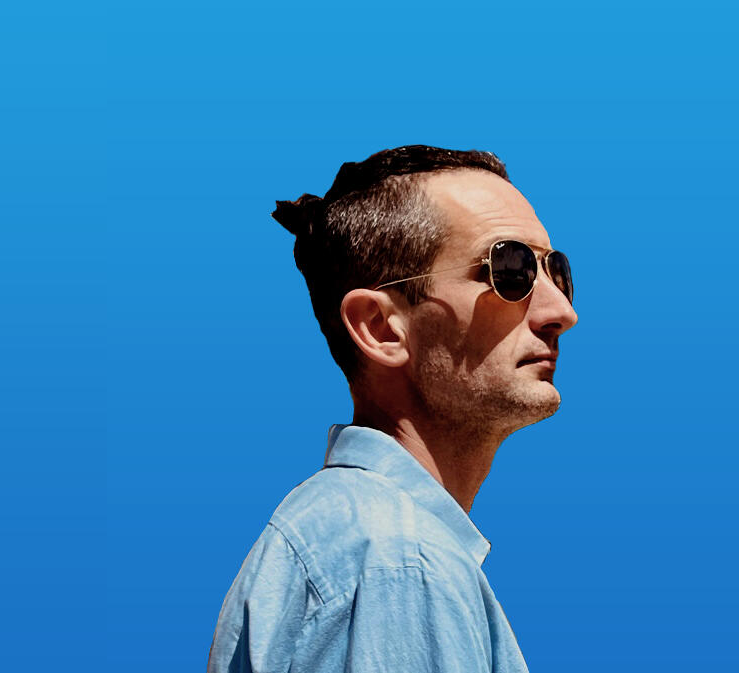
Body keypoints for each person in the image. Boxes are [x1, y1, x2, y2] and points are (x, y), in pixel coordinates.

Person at [207, 145, 578, 672]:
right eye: (510, 267)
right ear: (381, 328)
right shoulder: (398, 557)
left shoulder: (354, 538)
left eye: (556, 271)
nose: (561, 311)